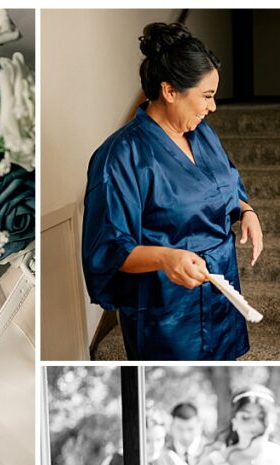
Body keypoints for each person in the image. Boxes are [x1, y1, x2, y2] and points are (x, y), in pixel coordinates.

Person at [82, 22, 263, 361]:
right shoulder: (121, 156)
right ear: (169, 90)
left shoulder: (203, 135)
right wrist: (167, 257)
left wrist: (246, 210)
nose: (212, 107)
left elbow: (226, 182)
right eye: (207, 97)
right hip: (166, 308)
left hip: (221, 291)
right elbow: (108, 248)